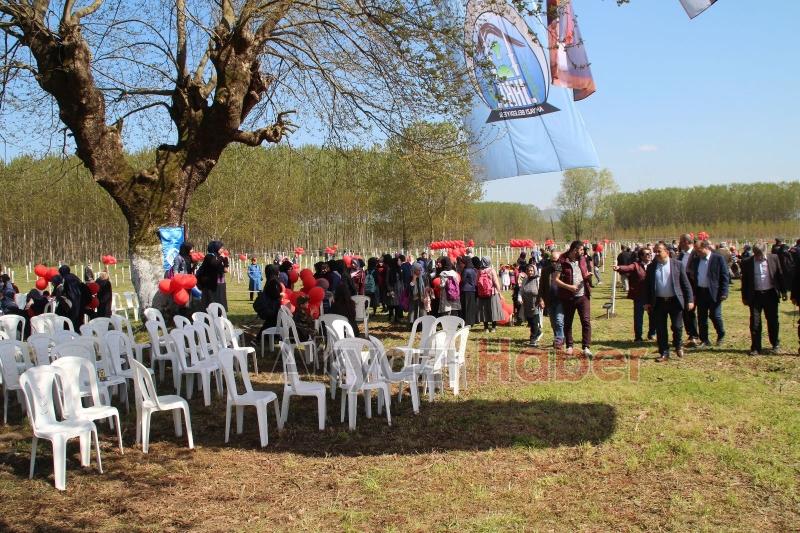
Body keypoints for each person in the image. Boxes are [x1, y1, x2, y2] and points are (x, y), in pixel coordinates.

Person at [643, 242, 694, 362]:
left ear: (666, 251)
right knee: (661, 329)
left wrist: (690, 300)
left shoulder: (677, 265)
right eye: (655, 251)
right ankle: (664, 352)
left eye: (659, 251)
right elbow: (647, 286)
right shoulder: (651, 267)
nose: (657, 254)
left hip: (675, 301)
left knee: (677, 326)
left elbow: (686, 284)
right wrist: (646, 302)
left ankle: (678, 345)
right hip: (659, 302)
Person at [740, 245, 786, 355]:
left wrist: (784, 291)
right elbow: (744, 281)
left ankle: (775, 344)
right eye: (756, 255)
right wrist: (744, 297)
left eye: (760, 255)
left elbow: (779, 275)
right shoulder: (747, 262)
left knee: (773, 321)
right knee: (755, 322)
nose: (758, 257)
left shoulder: (774, 258)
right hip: (755, 296)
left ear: (765, 252)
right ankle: (756, 347)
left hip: (770, 294)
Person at [689, 240, 730, 347]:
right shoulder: (697, 260)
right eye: (696, 251)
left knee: (715, 315)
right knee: (702, 317)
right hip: (701, 292)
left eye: (699, 251)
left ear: (706, 248)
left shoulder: (718, 259)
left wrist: (724, 292)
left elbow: (725, 276)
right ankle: (704, 340)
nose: (697, 253)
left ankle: (721, 335)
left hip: (714, 293)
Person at [556, 241, 593, 358]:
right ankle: (569, 346)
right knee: (568, 322)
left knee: (586, 321)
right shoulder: (561, 260)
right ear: (575, 249)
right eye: (581, 250)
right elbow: (555, 279)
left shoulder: (583, 259)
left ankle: (586, 347)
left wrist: (587, 277)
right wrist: (569, 287)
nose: (583, 252)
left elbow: (583, 273)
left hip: (583, 296)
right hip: (568, 297)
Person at [614, 247, 655, 342]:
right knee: (638, 318)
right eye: (646, 254)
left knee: (653, 317)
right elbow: (628, 268)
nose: (649, 255)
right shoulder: (636, 265)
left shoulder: (654, 265)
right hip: (639, 296)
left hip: (651, 296)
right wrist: (619, 267)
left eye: (650, 253)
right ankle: (638, 337)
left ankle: (652, 334)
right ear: (641, 256)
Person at [537, 251, 565, 350]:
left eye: (556, 261)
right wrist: (540, 299)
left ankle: (558, 341)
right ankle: (560, 338)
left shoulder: (563, 269)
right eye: (552, 261)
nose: (554, 263)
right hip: (549, 300)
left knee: (559, 320)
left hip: (560, 300)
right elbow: (541, 287)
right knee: (553, 323)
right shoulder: (545, 270)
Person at [475, 257, 503, 332]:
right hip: (492, 293)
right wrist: (499, 293)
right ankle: (493, 327)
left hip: (482, 294)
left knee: (484, 310)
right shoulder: (492, 270)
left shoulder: (479, 271)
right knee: (493, 309)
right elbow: (496, 282)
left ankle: (486, 327)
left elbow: (476, 283)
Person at [254, 264, 282, 334]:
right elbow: (274, 295)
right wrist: (281, 294)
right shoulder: (273, 281)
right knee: (270, 323)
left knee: (270, 323)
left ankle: (264, 337)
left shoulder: (270, 279)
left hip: (270, 307)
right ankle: (261, 338)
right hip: (272, 307)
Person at [519, 263, 542, 346]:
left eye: (531, 270)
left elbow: (541, 291)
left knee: (534, 321)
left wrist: (541, 301)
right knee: (530, 320)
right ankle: (538, 332)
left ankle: (533, 339)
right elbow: (521, 290)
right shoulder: (525, 280)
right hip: (526, 303)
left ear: (534, 271)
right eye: (528, 270)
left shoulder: (537, 280)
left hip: (535, 302)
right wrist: (520, 298)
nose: (530, 272)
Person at [197, 241, 225, 309]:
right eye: (221, 248)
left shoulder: (216, 256)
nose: (222, 250)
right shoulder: (209, 256)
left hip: (214, 283)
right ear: (216, 248)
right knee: (209, 301)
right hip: (207, 283)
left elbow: (220, 268)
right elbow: (214, 264)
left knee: (215, 300)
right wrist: (221, 258)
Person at [460, 256, 478, 326]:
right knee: (471, 306)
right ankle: (472, 321)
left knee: (466, 306)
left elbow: (463, 280)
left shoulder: (466, 270)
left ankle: (466, 321)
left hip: (466, 290)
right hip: (472, 290)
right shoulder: (474, 270)